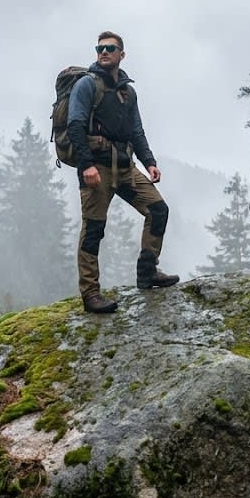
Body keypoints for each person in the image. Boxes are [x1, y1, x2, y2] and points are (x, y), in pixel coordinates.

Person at [66, 30, 179, 313]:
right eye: (100, 48)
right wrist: (86, 165)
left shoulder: (128, 92)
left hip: (125, 168)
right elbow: (75, 126)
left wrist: (149, 162)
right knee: (93, 230)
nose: (103, 52)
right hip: (97, 169)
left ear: (122, 55)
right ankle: (90, 294)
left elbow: (136, 131)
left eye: (110, 48)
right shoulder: (86, 85)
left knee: (158, 210)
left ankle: (147, 273)